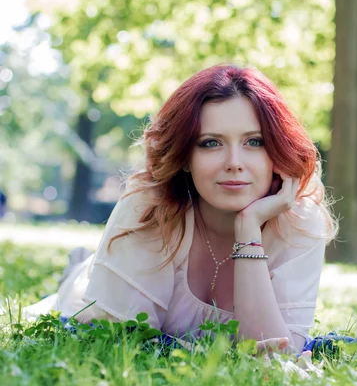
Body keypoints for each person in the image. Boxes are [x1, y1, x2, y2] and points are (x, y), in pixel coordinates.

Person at [24, 64, 338, 358]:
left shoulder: (298, 221)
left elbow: (276, 353)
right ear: (185, 156)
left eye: (254, 142)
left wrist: (248, 227)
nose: (234, 161)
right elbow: (122, 338)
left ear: (276, 151)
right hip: (92, 298)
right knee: (76, 293)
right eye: (211, 143)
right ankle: (82, 267)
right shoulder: (149, 208)